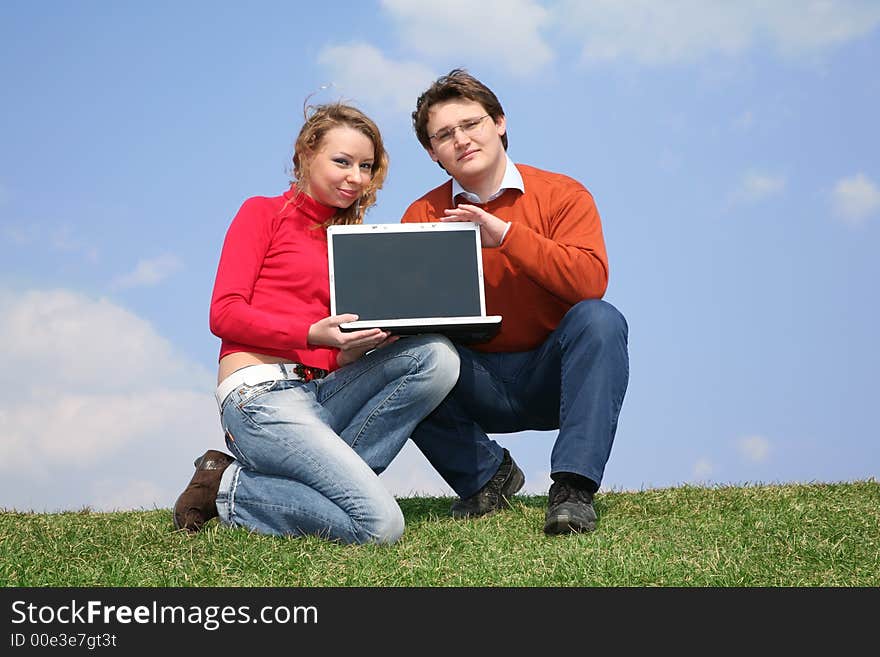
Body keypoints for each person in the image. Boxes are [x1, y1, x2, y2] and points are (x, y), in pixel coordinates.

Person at [172, 102, 459, 544]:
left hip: (322, 391)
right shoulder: (262, 212)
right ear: (307, 154)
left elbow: (328, 347)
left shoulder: (351, 244)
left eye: (366, 166)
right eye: (341, 161)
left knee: (436, 356)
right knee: (380, 527)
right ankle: (228, 487)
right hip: (261, 395)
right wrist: (311, 334)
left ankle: (307, 485)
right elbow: (224, 313)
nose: (355, 177)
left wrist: (346, 352)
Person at [401, 69, 629, 535]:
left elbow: (591, 282)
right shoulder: (421, 215)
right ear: (432, 152)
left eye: (472, 124)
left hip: (552, 375)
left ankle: (572, 489)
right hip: (470, 380)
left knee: (600, 320)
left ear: (499, 122)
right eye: (444, 134)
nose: (461, 140)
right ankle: (486, 477)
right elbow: (410, 318)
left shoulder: (563, 194)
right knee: (402, 353)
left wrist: (505, 236)